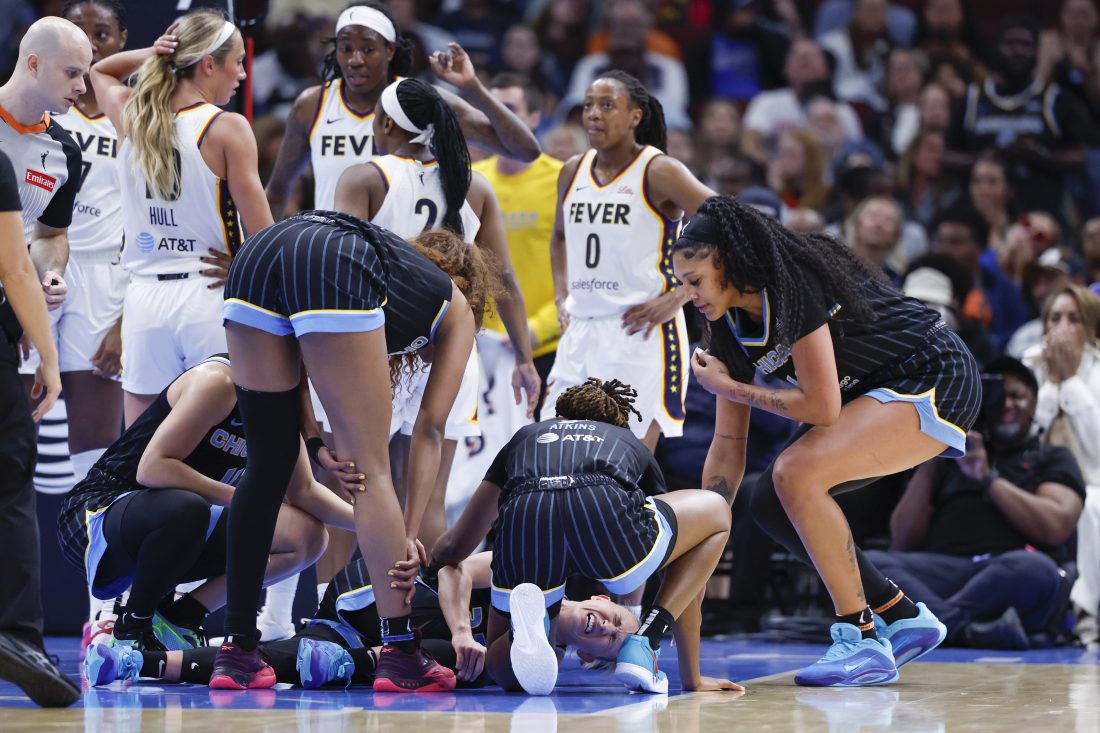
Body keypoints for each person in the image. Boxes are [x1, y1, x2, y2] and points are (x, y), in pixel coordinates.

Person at [672, 195, 982, 687]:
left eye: (695, 282)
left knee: (796, 472)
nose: (690, 295)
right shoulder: (725, 325)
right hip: (870, 391)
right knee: (767, 499)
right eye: (683, 284)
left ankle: (859, 637)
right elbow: (730, 441)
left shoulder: (794, 285)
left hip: (932, 375)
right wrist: (710, 523)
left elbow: (821, 408)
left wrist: (730, 388)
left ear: (728, 264)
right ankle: (899, 615)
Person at [217, 210, 474, 692]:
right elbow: (430, 430)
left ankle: (236, 652)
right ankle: (400, 652)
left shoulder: (393, 276)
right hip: (327, 255)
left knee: (266, 467)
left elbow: (292, 358)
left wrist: (313, 441)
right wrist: (409, 531)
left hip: (255, 256)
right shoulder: (457, 309)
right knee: (370, 470)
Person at [432, 378, 742, 696]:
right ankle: (647, 639)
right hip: (602, 508)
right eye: (619, 625)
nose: (609, 626)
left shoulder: (525, 436)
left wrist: (427, 558)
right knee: (717, 511)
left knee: (507, 663)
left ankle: (530, 627)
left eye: (612, 636)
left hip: (527, 514)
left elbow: (455, 547)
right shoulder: (627, 441)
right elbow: (678, 562)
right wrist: (692, 676)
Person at [56, 355, 351, 652]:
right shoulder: (218, 381)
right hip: (99, 514)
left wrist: (372, 525)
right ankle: (132, 627)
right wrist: (246, 500)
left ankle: (181, 617)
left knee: (308, 536)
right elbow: (153, 468)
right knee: (187, 508)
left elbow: (305, 492)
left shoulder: (283, 405)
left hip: (184, 528)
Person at [89, 11, 273, 424]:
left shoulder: (133, 116)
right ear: (208, 64)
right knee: (220, 445)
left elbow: (100, 71)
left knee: (140, 449)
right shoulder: (227, 128)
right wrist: (244, 264)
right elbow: (265, 236)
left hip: (144, 303)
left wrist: (155, 52)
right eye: (238, 61)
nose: (243, 73)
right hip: (207, 297)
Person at [866, 357, 1085, 649]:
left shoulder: (1051, 457)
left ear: (1034, 404)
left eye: (1018, 396)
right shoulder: (948, 458)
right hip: (945, 572)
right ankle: (963, 629)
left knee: (1036, 568)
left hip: (1009, 571)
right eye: (997, 396)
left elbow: (1055, 528)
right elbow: (902, 540)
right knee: (867, 564)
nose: (1007, 404)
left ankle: (936, 625)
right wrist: (933, 456)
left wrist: (987, 478)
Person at [548, 70, 715, 452]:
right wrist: (561, 295)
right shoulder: (573, 169)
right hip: (581, 329)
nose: (594, 114)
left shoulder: (659, 170)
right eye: (589, 105)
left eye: (607, 105)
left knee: (624, 462)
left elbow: (727, 220)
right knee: (556, 451)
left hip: (640, 332)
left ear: (635, 116)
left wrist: (682, 293)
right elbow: (559, 236)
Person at [264, 1, 539, 220]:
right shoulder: (311, 105)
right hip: (338, 261)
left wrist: (473, 87)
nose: (355, 60)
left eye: (368, 49)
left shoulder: (420, 100)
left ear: (390, 50)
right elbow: (277, 193)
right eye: (346, 48)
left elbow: (525, 151)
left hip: (405, 263)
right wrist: (251, 259)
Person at [0, 149, 79, 707]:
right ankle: (19, 636)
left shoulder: (60, 152)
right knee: (10, 489)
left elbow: (39, 251)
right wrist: (47, 359)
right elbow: (13, 267)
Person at [0, 17, 90, 407]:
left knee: (15, 453)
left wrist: (48, 275)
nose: (82, 87)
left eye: (85, 74)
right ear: (33, 63)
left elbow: (51, 236)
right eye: (71, 73)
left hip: (6, 314)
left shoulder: (65, 152)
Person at [1022, 283, 1100, 642]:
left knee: (1087, 505)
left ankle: (1085, 611)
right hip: (1030, 480)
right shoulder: (1029, 364)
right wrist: (1052, 385)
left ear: (1091, 327)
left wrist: (1070, 382)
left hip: (1092, 482)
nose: (1063, 328)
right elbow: (1024, 438)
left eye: (1074, 318)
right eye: (1055, 318)